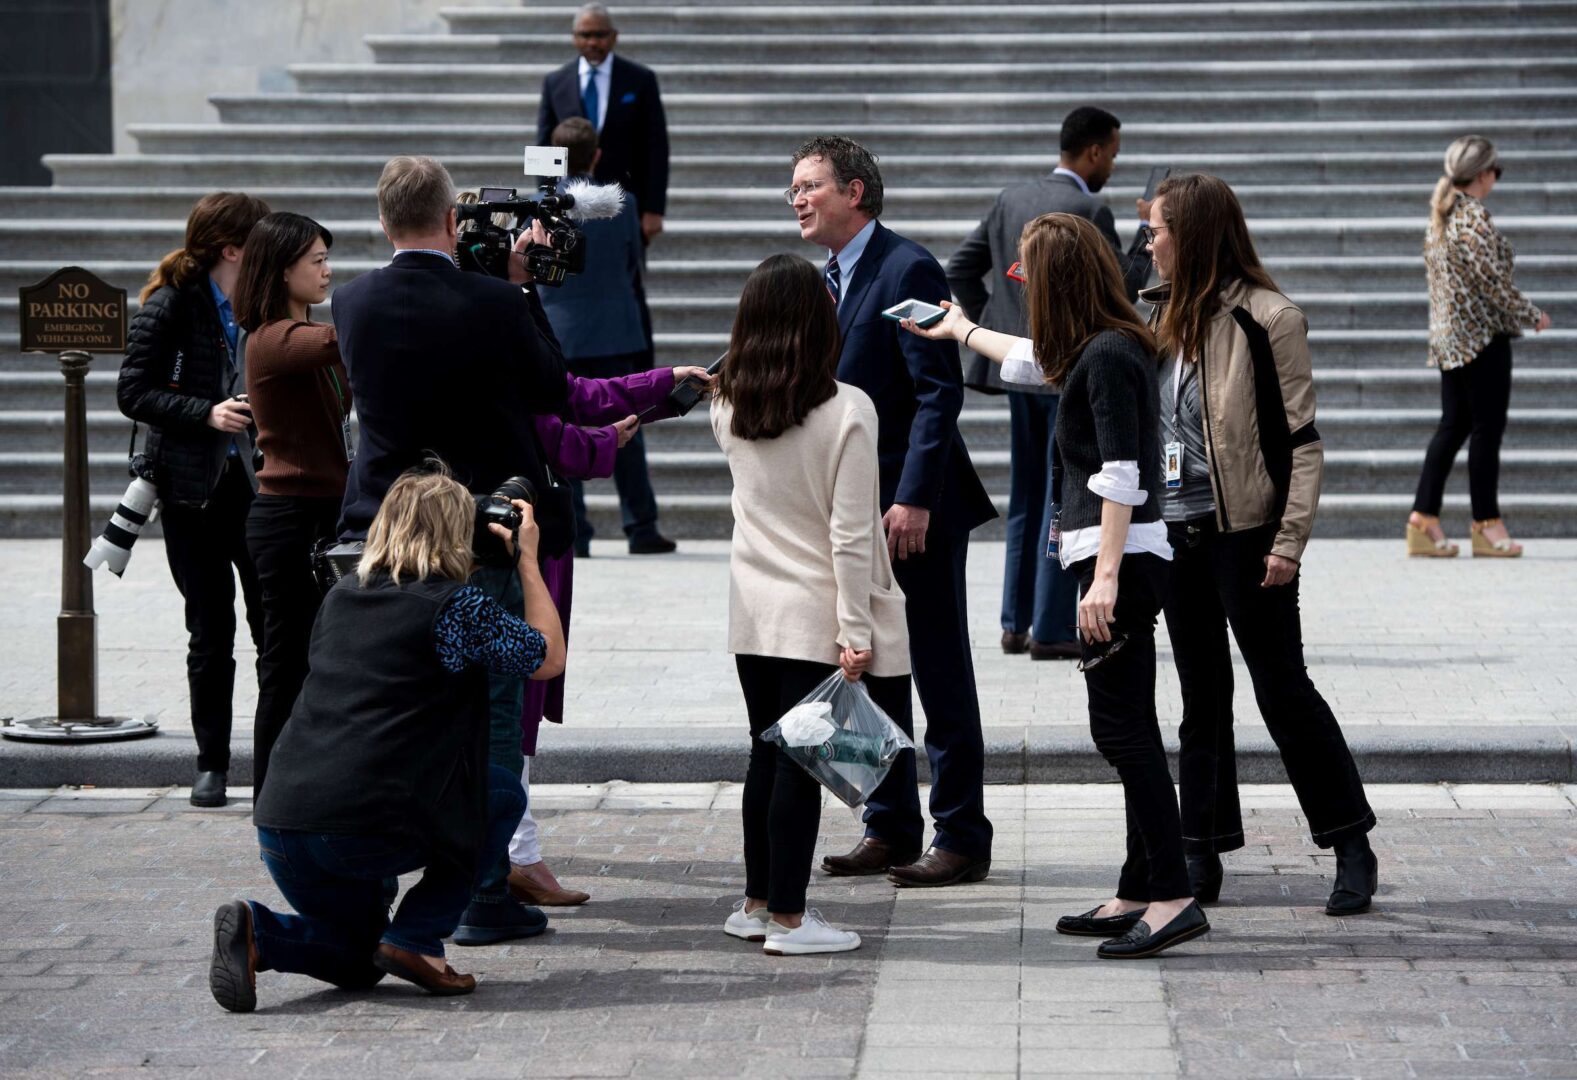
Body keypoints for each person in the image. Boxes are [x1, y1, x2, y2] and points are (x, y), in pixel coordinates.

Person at [904, 213, 1207, 959]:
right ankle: (1140, 885)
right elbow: (1034, 360)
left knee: (1124, 733)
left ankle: (1170, 895)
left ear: (1057, 282)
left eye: (1029, 276)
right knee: (1128, 722)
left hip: (1123, 561)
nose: (1024, 288)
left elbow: (1121, 475)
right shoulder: (1097, 347)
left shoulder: (1105, 355)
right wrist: (961, 329)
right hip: (1120, 557)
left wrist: (1102, 579)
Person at [207, 463, 567, 1011]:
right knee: (501, 795)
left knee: (359, 959)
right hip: (362, 827)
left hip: (283, 824)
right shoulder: (455, 606)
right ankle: (418, 937)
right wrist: (527, 563)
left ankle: (259, 929)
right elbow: (547, 658)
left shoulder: (341, 594)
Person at [333, 154, 569, 946]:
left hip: (388, 530)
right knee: (495, 705)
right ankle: (484, 888)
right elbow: (550, 388)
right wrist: (519, 285)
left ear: (381, 221)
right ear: (448, 220)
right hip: (479, 526)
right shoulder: (495, 301)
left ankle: (383, 880)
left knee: (400, 704)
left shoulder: (352, 299)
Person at [1139, 173, 1378, 916]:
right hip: (1174, 536)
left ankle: (1349, 842)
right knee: (1199, 697)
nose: (1147, 241)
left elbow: (1302, 442)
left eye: (1157, 229)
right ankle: (1199, 848)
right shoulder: (1153, 318)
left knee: (1283, 690)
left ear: (1195, 233)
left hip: (1248, 538)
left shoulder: (1269, 318)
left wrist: (1289, 539)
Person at [787, 135, 998, 888]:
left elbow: (938, 392)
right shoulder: (825, 280)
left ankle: (962, 834)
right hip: (853, 511)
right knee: (868, 666)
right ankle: (890, 824)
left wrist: (911, 496)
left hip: (917, 509)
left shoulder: (906, 266)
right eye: (793, 188)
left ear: (855, 192)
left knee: (938, 669)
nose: (798, 198)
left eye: (811, 185)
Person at [712, 253, 913, 954]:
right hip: (813, 610)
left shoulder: (727, 404)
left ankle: (758, 901)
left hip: (752, 608)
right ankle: (791, 919)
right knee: (798, 763)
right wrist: (854, 631)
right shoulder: (847, 409)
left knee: (764, 757)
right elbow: (850, 532)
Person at [947, 106, 1151, 663]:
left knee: (1026, 497)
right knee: (1061, 494)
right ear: (1092, 152)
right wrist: (1146, 238)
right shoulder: (1089, 208)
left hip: (1020, 368)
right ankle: (1048, 624)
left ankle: (1014, 622)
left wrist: (1000, 318)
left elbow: (960, 267)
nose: (1111, 164)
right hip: (1067, 372)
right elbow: (1120, 291)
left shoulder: (1010, 199)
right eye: (1111, 153)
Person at [117, 191, 272, 808]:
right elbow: (134, 392)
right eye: (261, 238)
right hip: (192, 492)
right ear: (232, 247)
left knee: (275, 632)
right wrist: (205, 413)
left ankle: (276, 765)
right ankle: (211, 763)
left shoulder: (267, 299)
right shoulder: (172, 302)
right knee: (209, 630)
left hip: (264, 490)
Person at [233, 211, 347, 799]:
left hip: (325, 513)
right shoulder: (272, 339)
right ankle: (270, 798)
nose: (328, 271)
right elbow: (338, 338)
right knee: (284, 666)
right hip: (289, 519)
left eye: (328, 258)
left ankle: (311, 792)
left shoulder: (305, 336)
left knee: (322, 663)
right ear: (281, 272)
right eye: (317, 261)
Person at [1408, 136, 1551, 559]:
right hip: (1482, 340)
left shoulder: (1442, 216)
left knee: (1453, 427)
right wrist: (1533, 314)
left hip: (1450, 340)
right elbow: (1494, 286)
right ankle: (1486, 523)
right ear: (1484, 174)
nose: (1496, 179)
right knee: (1486, 432)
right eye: (1496, 172)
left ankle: (1424, 518)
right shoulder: (1475, 221)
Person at [540, 117, 676, 556]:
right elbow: (634, 263)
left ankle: (575, 528)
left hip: (561, 333)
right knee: (630, 424)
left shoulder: (539, 206)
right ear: (597, 155)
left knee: (561, 431)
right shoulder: (625, 204)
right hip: (617, 329)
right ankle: (641, 525)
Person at [536, 3, 669, 247]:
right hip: (569, 202)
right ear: (574, 38)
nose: (593, 42)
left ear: (614, 36)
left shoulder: (640, 80)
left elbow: (656, 147)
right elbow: (545, 144)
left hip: (624, 203)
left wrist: (653, 208)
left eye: (600, 35)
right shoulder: (556, 82)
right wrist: (546, 199)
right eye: (585, 35)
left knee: (622, 277)